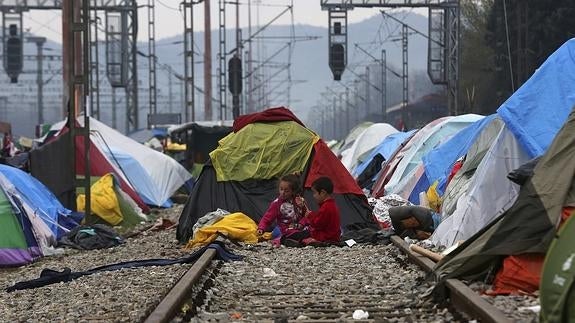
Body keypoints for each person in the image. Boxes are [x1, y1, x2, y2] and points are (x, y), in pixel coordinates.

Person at [257, 174, 309, 246]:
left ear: (293, 191)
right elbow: (267, 218)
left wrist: (301, 223)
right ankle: (288, 240)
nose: (283, 193)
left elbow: (306, 215)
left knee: (311, 228)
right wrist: (261, 228)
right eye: (281, 189)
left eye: (286, 191)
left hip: (299, 227)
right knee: (282, 233)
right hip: (285, 229)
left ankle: (304, 240)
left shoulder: (300, 201)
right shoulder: (276, 203)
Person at [302, 176, 341, 244]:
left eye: (314, 193)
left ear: (323, 192)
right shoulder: (331, 205)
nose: (313, 196)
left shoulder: (326, 207)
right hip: (333, 236)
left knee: (300, 235)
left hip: (326, 237)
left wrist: (309, 216)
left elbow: (317, 224)